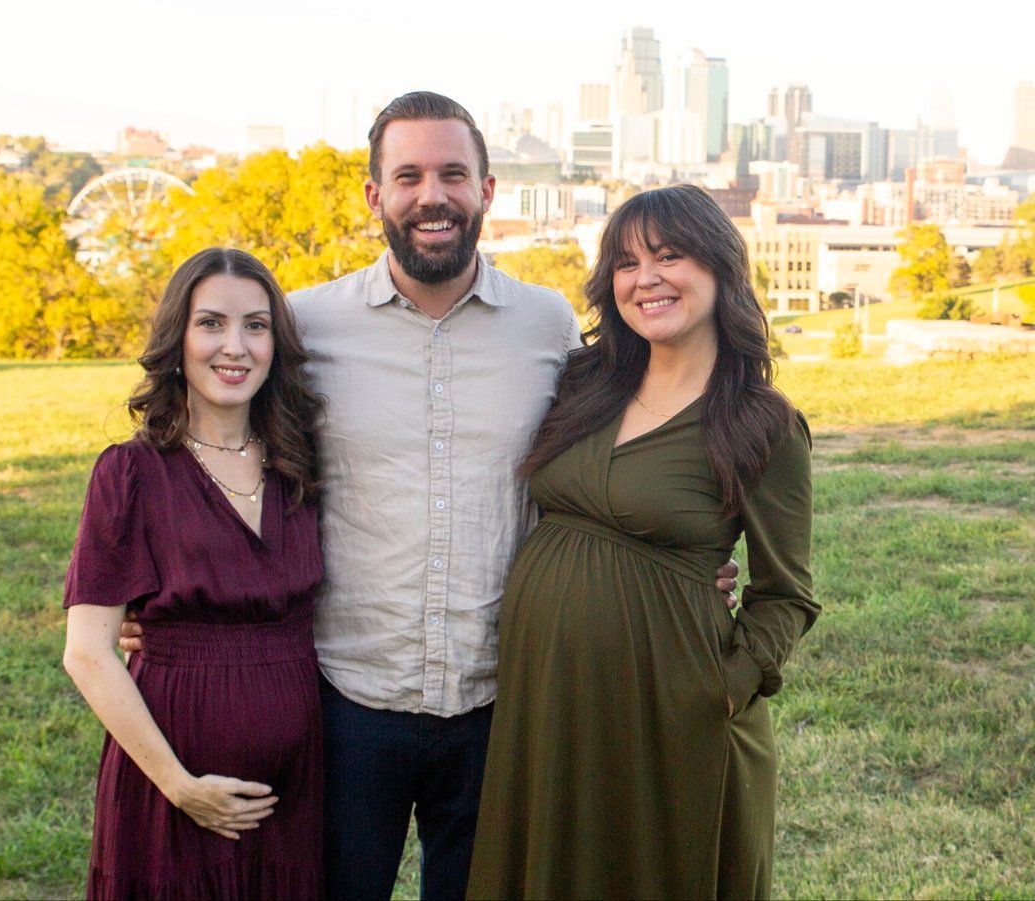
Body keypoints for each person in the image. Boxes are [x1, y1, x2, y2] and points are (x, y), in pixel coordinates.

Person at [122, 93, 738, 901]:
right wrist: (153, 592)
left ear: (487, 189)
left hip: (505, 698)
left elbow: (626, 437)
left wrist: (669, 564)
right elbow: (207, 443)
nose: (431, 195)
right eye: (407, 175)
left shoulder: (547, 326)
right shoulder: (304, 328)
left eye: (453, 173)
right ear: (375, 196)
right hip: (345, 698)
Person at [466, 184, 820, 900]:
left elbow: (786, 592)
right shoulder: (582, 382)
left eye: (670, 255)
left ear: (720, 268)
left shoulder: (762, 425)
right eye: (626, 263)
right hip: (547, 698)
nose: (646, 278)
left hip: (673, 711)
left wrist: (719, 687)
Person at [62, 247, 325, 899]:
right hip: (171, 788)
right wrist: (181, 784)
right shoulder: (131, 473)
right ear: (176, 337)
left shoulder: (303, 465)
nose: (234, 346)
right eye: (211, 323)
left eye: (255, 326)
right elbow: (88, 653)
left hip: (294, 790)